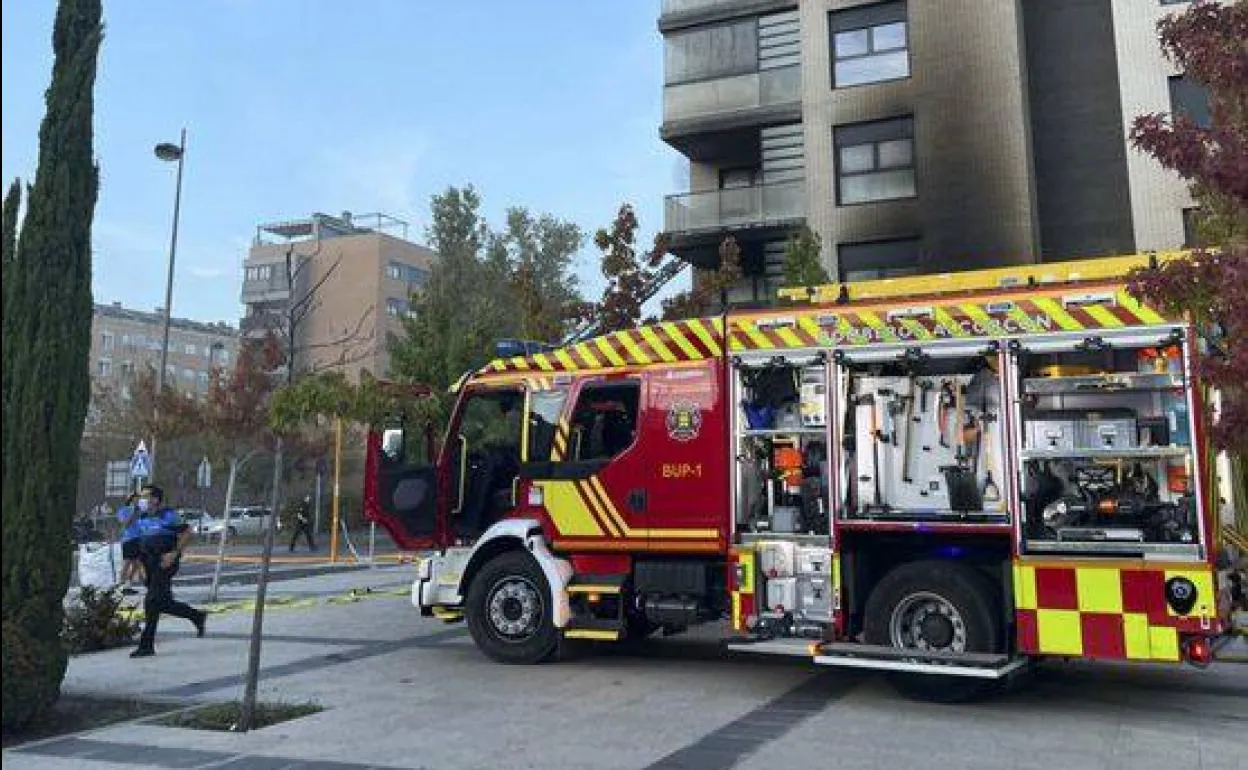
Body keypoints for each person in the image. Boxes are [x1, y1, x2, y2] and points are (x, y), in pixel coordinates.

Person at [130, 485, 206, 658]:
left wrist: (175, 553)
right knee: (161, 603)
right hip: (148, 562)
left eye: (145, 496)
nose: (142, 500)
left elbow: (187, 532)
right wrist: (140, 567)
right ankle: (196, 616)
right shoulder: (141, 517)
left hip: (165, 561)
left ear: (156, 499)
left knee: (151, 601)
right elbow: (140, 543)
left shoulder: (169, 515)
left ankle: (146, 645)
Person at [117, 493, 145, 593]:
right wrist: (133, 513)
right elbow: (126, 524)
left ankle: (128, 583)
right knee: (127, 562)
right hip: (128, 539)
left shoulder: (141, 511)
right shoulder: (124, 510)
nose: (137, 501)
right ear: (131, 500)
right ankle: (121, 584)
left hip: (139, 538)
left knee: (137, 563)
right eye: (135, 499)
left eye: (138, 499)